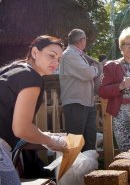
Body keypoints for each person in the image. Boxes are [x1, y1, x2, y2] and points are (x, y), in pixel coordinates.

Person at [0, 35, 67, 184]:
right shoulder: (31, 77)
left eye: (59, 59)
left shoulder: (15, 69)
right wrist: (51, 141)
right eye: (52, 55)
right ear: (35, 53)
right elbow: (22, 129)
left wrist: (42, 135)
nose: (56, 62)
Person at [59, 29, 99, 151]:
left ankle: (89, 168)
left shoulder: (76, 54)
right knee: (75, 144)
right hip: (76, 103)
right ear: (80, 41)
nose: (86, 41)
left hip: (85, 102)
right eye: (85, 39)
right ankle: (73, 169)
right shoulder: (70, 54)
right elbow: (88, 73)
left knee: (90, 142)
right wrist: (96, 67)